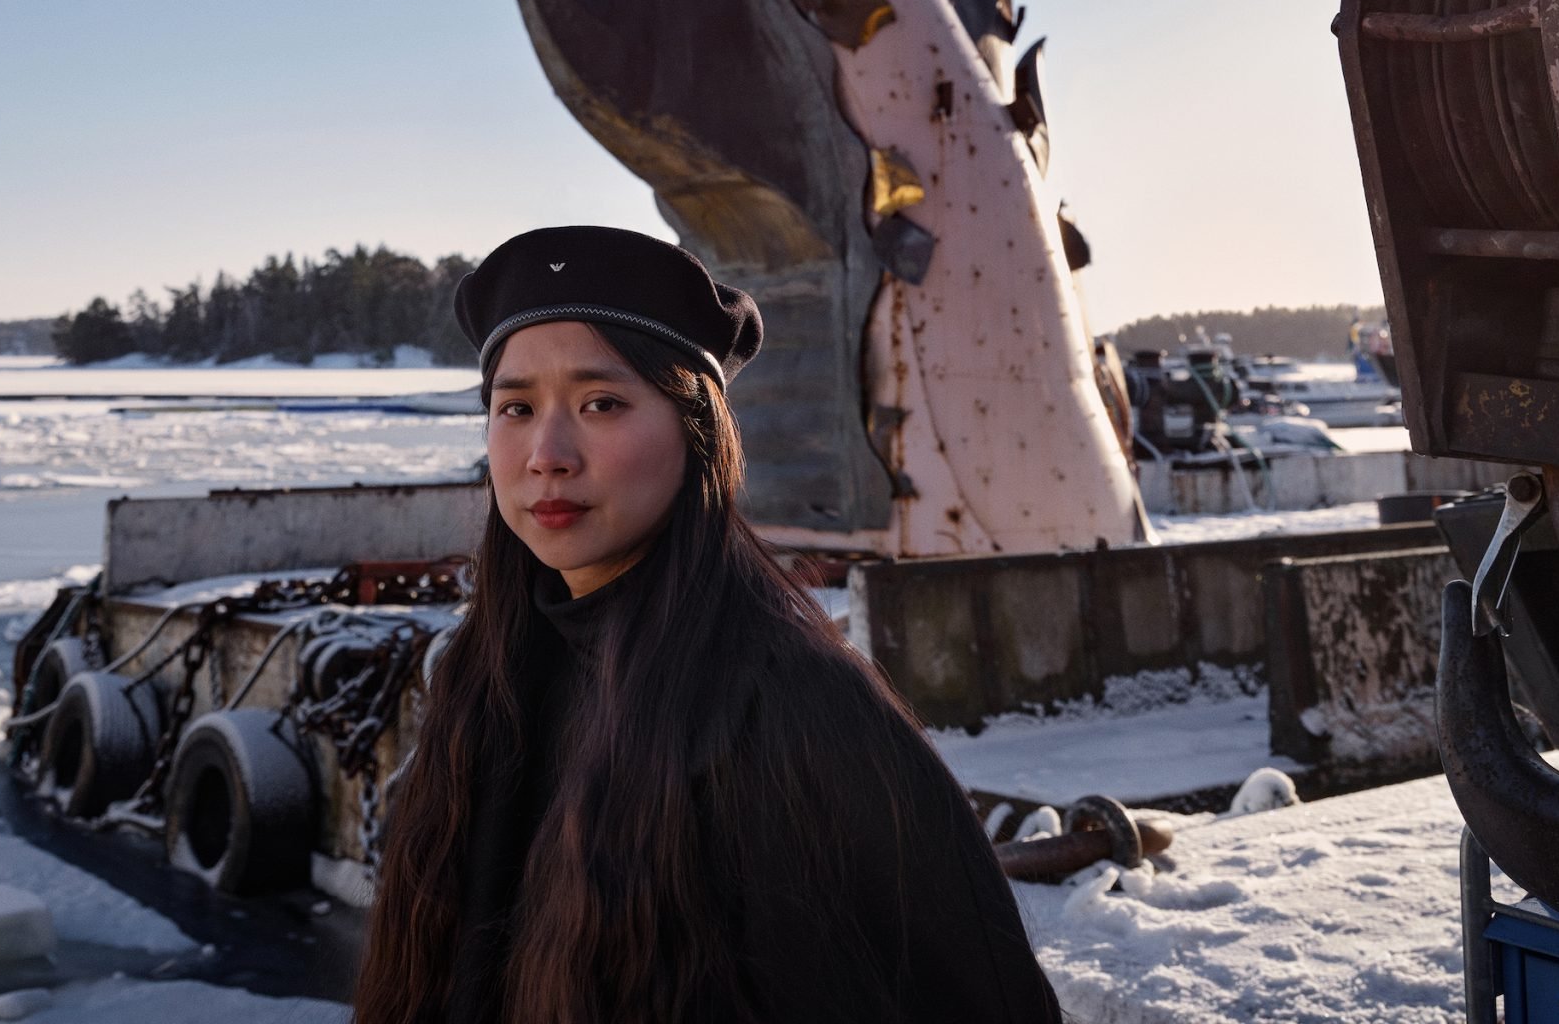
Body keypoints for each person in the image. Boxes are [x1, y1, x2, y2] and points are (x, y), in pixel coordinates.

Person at [354, 225, 1063, 1024]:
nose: (546, 453)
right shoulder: (490, 681)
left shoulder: (793, 709)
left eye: (602, 403)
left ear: (698, 435)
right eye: (515, 406)